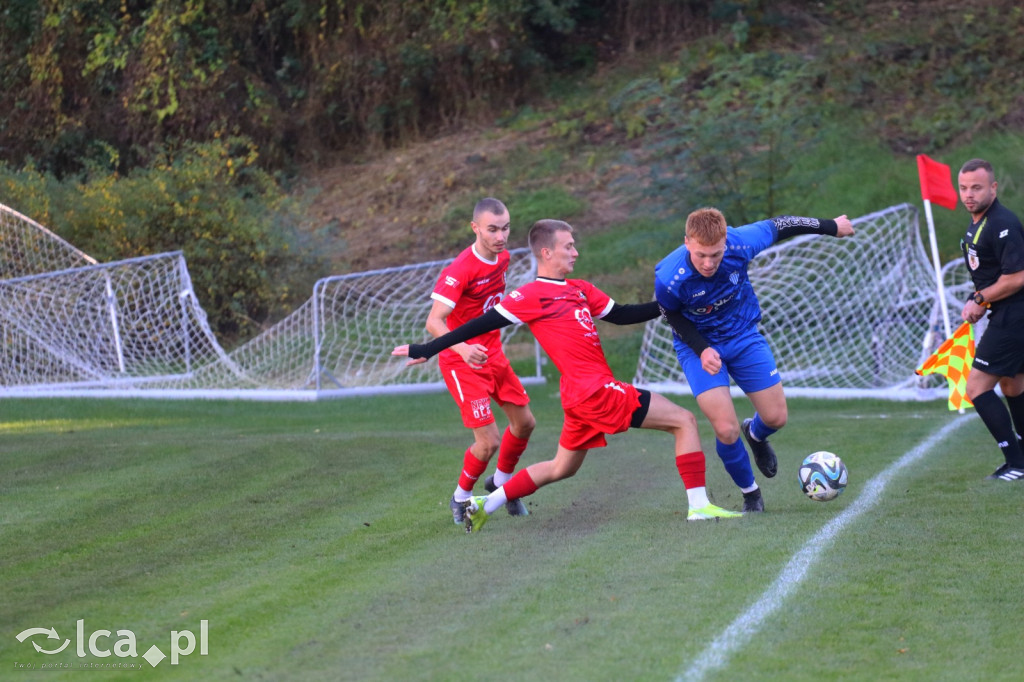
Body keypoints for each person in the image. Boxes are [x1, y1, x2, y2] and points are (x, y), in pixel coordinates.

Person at [394, 219, 742, 532]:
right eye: (568, 246)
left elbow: (621, 315)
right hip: (595, 391)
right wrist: (428, 348)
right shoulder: (529, 295)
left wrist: (674, 305)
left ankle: (487, 503)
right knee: (684, 421)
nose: (575, 251)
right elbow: (476, 324)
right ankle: (698, 506)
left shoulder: (579, 289)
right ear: (546, 252)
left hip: (580, 395)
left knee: (562, 468)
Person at [654, 208, 855, 511]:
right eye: (700, 256)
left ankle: (756, 434)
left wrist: (831, 226)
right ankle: (751, 493)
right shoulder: (669, 277)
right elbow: (670, 314)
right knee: (725, 428)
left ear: (725, 242)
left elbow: (784, 224)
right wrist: (702, 348)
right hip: (698, 347)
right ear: (686, 243)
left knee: (776, 418)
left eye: (716, 255)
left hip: (744, 336)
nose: (709, 263)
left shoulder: (740, 242)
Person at [427, 198, 537, 524]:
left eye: (505, 228)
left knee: (525, 423)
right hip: (461, 362)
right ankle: (460, 498)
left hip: (493, 354)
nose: (501, 236)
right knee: (488, 442)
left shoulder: (502, 258)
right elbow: (434, 322)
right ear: (475, 228)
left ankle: (501, 486)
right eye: (492, 229)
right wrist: (463, 350)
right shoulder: (459, 270)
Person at [956, 158, 1024, 481]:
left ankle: (1016, 461)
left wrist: (981, 299)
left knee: (977, 387)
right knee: (1012, 384)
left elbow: (1017, 277)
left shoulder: (1002, 223)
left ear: (993, 188)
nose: (969, 194)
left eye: (977, 188)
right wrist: (977, 298)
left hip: (1016, 315)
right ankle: (1022, 458)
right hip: (1009, 313)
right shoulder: (977, 224)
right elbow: (992, 275)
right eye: (964, 188)